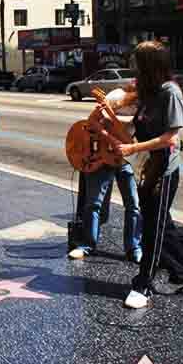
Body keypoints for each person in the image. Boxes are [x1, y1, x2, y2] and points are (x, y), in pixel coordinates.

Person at [101, 41, 183, 309]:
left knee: (152, 230)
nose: (133, 68)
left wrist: (132, 148)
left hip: (164, 171)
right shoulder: (149, 92)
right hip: (147, 169)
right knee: (161, 226)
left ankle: (143, 285)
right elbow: (133, 130)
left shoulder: (170, 92)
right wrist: (109, 127)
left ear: (150, 66)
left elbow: (170, 137)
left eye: (137, 63)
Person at [68, 87, 143, 264]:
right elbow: (91, 121)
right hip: (102, 156)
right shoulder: (115, 97)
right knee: (94, 204)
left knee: (134, 204)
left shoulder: (145, 105)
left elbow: (128, 139)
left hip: (125, 160)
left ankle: (134, 247)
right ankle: (87, 245)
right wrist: (108, 136)